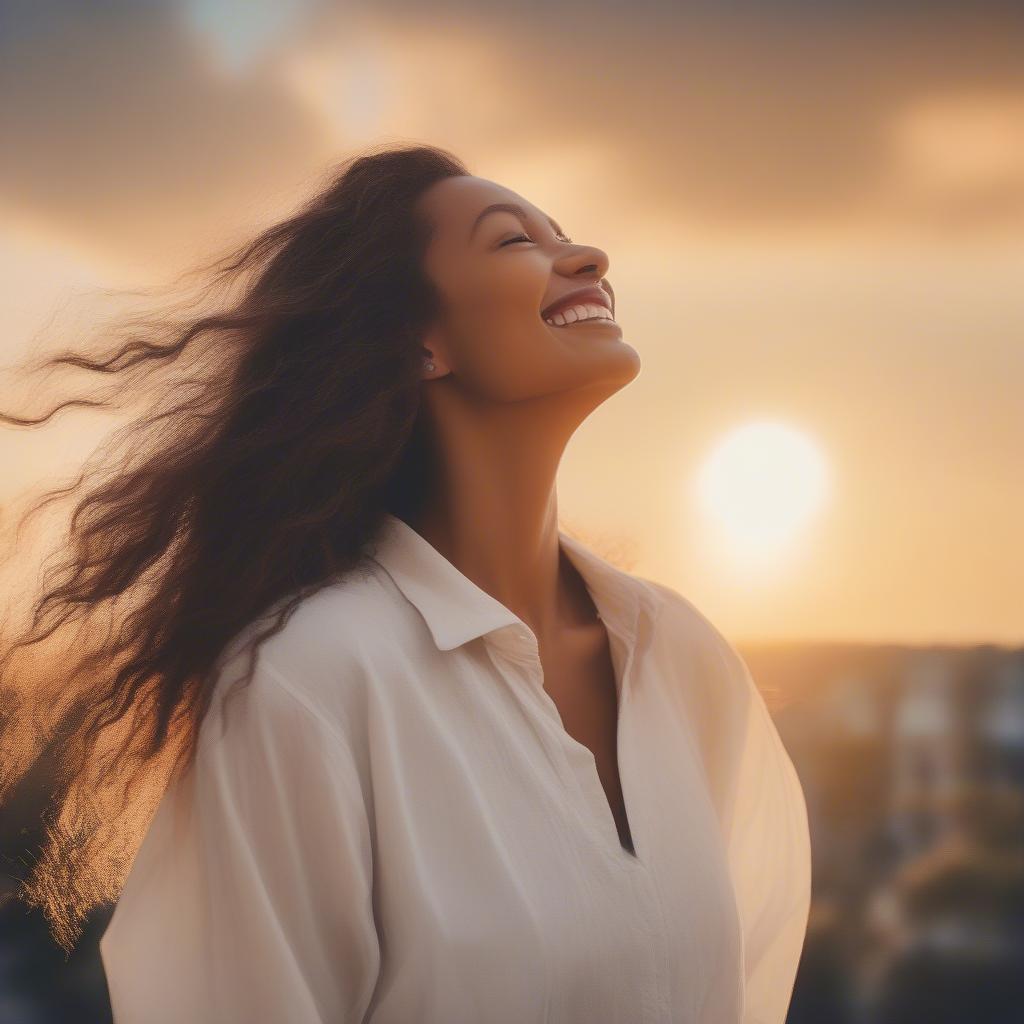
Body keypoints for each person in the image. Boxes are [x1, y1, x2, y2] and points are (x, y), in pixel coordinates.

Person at [1, 143, 811, 1023]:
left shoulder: (681, 655)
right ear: (417, 342)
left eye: (566, 234)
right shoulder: (308, 680)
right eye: (513, 243)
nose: (586, 258)